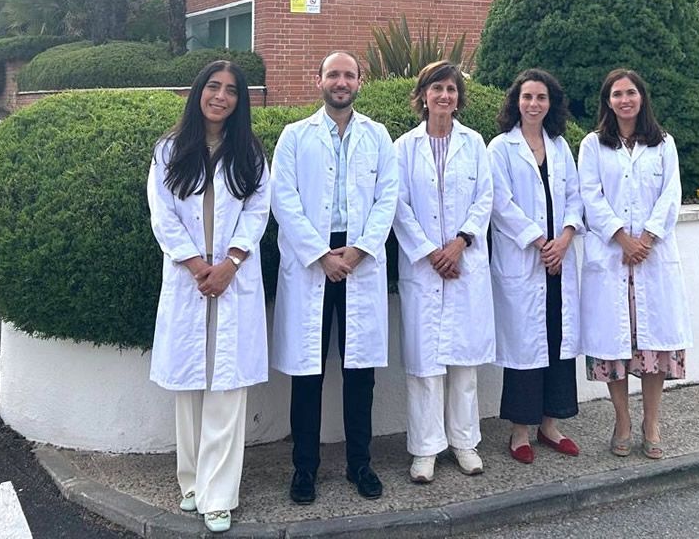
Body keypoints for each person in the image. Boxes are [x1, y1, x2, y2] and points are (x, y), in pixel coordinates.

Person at [146, 60, 271, 534]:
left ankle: (219, 496)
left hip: (233, 279)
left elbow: (258, 211)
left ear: (240, 102)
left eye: (231, 91)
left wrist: (230, 263)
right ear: (199, 91)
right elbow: (162, 215)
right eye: (213, 87)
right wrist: (197, 266)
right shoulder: (169, 150)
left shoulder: (250, 153)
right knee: (190, 386)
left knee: (227, 388)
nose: (221, 96)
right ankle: (192, 481)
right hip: (191, 279)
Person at [270, 51, 398, 502]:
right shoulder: (294, 136)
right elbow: (283, 200)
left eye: (349, 75)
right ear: (319, 80)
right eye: (333, 75)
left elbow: (388, 198)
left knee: (359, 371)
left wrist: (360, 250)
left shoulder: (378, 135)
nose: (341, 82)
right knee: (308, 371)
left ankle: (359, 464)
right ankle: (304, 467)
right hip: (313, 261)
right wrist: (321, 254)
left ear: (360, 82)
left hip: (360, 257)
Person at [578, 68, 691, 461]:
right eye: (617, 94)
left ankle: (652, 422)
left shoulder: (663, 144)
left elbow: (671, 194)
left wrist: (646, 239)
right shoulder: (593, 145)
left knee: (652, 345)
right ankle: (623, 420)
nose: (624, 100)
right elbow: (590, 195)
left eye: (630, 93)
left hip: (651, 257)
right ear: (607, 101)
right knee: (615, 346)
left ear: (642, 98)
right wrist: (621, 237)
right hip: (612, 258)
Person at [392, 60, 495, 483]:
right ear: (423, 96)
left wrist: (459, 244)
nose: (444, 96)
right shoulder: (404, 147)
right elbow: (398, 205)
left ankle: (465, 443)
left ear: (458, 98)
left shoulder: (474, 143)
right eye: (437, 89)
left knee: (464, 364)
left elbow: (485, 198)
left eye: (451, 89)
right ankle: (425, 449)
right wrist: (430, 252)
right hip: (424, 269)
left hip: (464, 262)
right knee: (425, 367)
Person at [487, 68, 583, 464]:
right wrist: (541, 242)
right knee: (525, 346)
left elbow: (575, 196)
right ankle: (520, 432)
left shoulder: (559, 146)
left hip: (558, 260)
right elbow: (500, 204)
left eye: (541, 97)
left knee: (557, 339)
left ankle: (550, 425)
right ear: (516, 101)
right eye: (527, 97)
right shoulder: (500, 148)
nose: (533, 104)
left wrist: (564, 238)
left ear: (550, 103)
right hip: (525, 259)